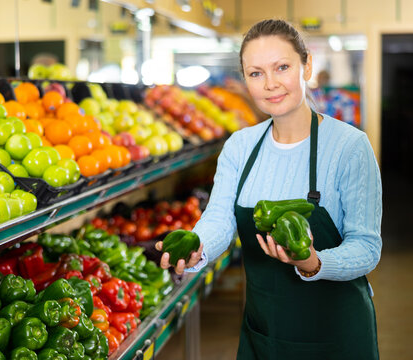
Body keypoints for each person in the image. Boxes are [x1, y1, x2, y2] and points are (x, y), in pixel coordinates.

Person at [156, 19, 381, 359]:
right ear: (245, 79)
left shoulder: (350, 146)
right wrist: (197, 247)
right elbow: (218, 218)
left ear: (306, 66)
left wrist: (314, 262)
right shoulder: (240, 146)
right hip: (265, 333)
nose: (271, 84)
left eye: (282, 67)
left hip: (337, 336)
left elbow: (366, 247)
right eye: (256, 73)